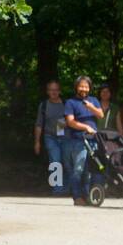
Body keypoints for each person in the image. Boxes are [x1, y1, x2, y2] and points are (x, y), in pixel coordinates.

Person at [62, 75, 104, 206]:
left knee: (90, 171)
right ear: (76, 87)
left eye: (86, 86)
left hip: (93, 140)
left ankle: (87, 196)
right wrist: (86, 127)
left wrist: (91, 107)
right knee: (78, 170)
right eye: (81, 86)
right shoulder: (70, 102)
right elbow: (70, 122)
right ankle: (77, 197)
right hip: (78, 140)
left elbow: (101, 115)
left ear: (90, 88)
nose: (83, 89)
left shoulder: (94, 100)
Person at [33, 80, 69, 196]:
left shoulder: (65, 103)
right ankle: (57, 190)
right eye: (51, 90)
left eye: (56, 90)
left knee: (67, 162)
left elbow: (71, 120)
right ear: (47, 91)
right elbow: (39, 125)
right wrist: (37, 142)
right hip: (50, 137)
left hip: (65, 137)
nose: (53, 92)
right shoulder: (43, 105)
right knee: (55, 162)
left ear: (59, 91)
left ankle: (67, 188)